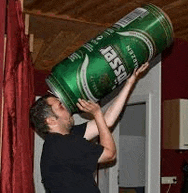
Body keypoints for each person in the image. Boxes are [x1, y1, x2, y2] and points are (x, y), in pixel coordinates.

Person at [29, 62, 149, 193]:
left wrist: (130, 82)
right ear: (51, 121)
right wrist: (96, 114)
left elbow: (107, 120)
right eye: (61, 106)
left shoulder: (65, 138)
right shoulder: (62, 145)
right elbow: (109, 154)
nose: (67, 107)